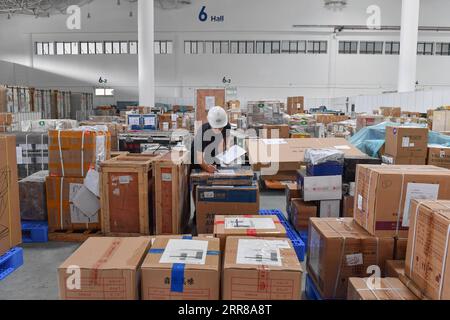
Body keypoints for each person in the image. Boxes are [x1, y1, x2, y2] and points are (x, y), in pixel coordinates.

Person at [191, 106, 232, 173]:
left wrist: (227, 152)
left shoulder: (226, 125)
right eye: (216, 128)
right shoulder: (202, 132)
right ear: (210, 124)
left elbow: (227, 138)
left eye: (221, 128)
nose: (219, 130)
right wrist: (207, 167)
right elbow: (199, 158)